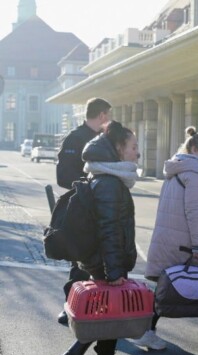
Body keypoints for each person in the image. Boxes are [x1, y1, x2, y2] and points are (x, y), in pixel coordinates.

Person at [51, 121, 139, 355]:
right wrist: (114, 271)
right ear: (117, 149)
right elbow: (110, 229)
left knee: (108, 316)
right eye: (133, 147)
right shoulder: (110, 182)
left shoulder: (103, 176)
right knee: (112, 315)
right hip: (105, 261)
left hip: (100, 259)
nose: (137, 153)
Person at [134, 130, 198, 351]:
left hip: (171, 236)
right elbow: (195, 211)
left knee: (171, 284)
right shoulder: (195, 173)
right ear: (194, 150)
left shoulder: (176, 169)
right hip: (186, 239)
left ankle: (149, 332)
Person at [54, 97, 111, 325]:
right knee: (80, 259)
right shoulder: (76, 138)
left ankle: (96, 306)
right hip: (80, 209)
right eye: (109, 115)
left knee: (101, 260)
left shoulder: (105, 140)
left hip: (101, 209)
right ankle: (69, 305)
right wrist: (88, 185)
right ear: (103, 115)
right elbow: (63, 177)